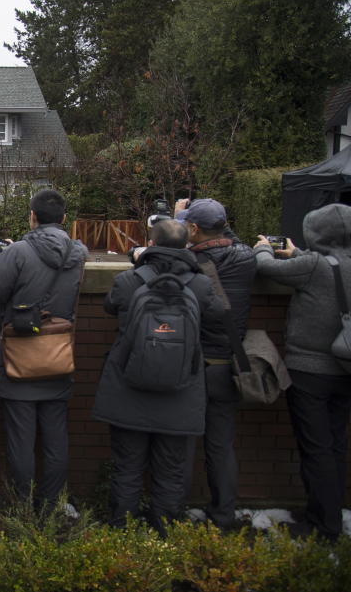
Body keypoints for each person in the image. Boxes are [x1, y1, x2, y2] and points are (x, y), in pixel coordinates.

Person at [93, 219, 222, 534]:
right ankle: (164, 534)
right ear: (185, 246)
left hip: (128, 388)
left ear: (150, 243)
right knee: (171, 470)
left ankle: (122, 533)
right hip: (181, 391)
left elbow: (111, 307)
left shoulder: (128, 281)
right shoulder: (202, 284)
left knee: (127, 468)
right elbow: (218, 311)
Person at [254, 203, 351, 542]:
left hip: (310, 370)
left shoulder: (312, 266)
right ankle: (331, 514)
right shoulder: (324, 263)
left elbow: (265, 268)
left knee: (316, 448)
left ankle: (323, 525)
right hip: (345, 367)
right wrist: (300, 253)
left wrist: (264, 247)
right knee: (336, 445)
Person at [0, 189, 87, 507]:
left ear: (32, 217)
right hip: (58, 354)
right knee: (56, 437)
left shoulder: (17, 252)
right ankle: (53, 503)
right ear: (63, 219)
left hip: (20, 355)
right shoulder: (78, 253)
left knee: (21, 439)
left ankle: (22, 504)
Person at [177, 198, 256, 530]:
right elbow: (229, 239)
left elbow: (169, 245)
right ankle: (223, 513)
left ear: (193, 229)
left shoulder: (187, 264)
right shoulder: (247, 258)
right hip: (229, 364)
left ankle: (174, 509)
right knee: (221, 446)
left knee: (179, 443)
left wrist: (176, 219)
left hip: (193, 366)